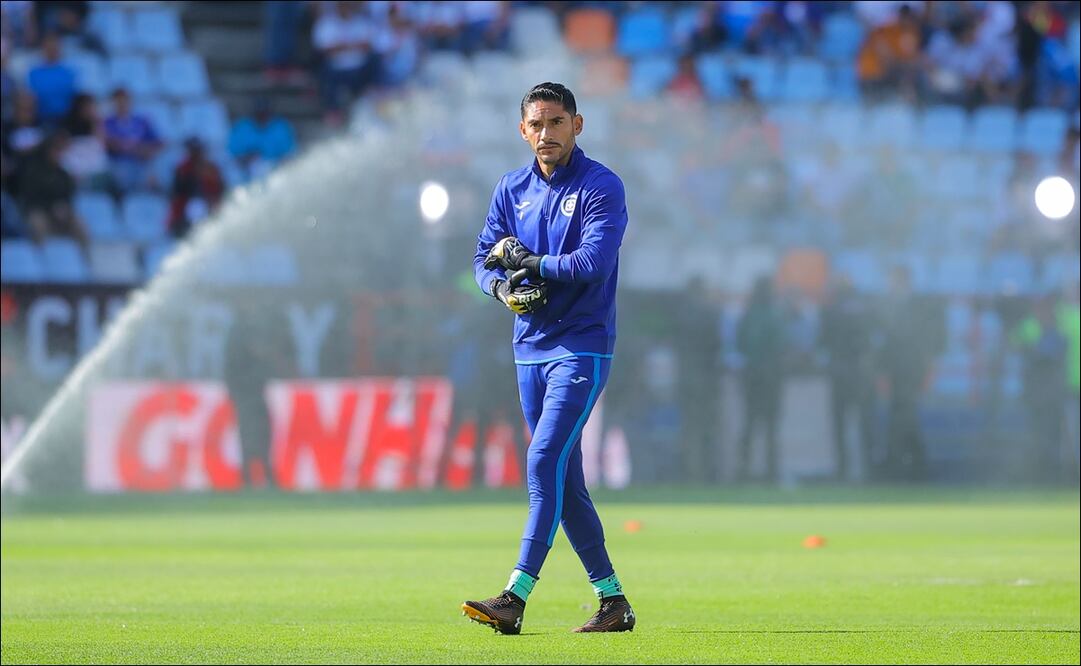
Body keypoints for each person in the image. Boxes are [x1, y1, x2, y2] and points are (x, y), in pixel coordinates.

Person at [462, 83, 634, 635]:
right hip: (529, 350)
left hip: (581, 345)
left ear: (577, 125)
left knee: (541, 463)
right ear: (522, 131)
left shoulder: (601, 186)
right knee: (567, 480)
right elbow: (482, 259)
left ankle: (515, 595)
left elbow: (592, 262)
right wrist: (502, 292)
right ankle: (613, 604)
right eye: (536, 125)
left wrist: (532, 265)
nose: (546, 134)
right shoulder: (510, 189)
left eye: (557, 122)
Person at [735, 275, 787, 482]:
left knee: (749, 424)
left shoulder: (748, 315)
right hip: (772, 377)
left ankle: (744, 471)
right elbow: (782, 345)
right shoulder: (776, 315)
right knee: (771, 426)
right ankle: (772, 472)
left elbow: (739, 344)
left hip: (751, 376)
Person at [103, 88, 162, 193]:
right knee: (124, 171)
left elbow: (158, 142)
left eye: (124, 100)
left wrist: (147, 150)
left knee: (160, 164)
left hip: (142, 160)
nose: (122, 104)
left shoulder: (141, 121)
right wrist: (132, 149)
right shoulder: (107, 123)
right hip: (119, 162)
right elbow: (107, 143)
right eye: (118, 101)